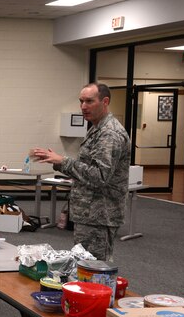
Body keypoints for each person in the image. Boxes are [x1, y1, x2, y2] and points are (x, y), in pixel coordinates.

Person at [32, 83, 131, 261]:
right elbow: (90, 167)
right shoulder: (96, 128)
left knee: (93, 269)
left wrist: (63, 161)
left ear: (105, 101)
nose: (83, 106)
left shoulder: (109, 134)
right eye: (81, 101)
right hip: (90, 213)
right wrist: (60, 162)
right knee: (84, 267)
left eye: (89, 101)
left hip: (100, 215)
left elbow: (100, 176)